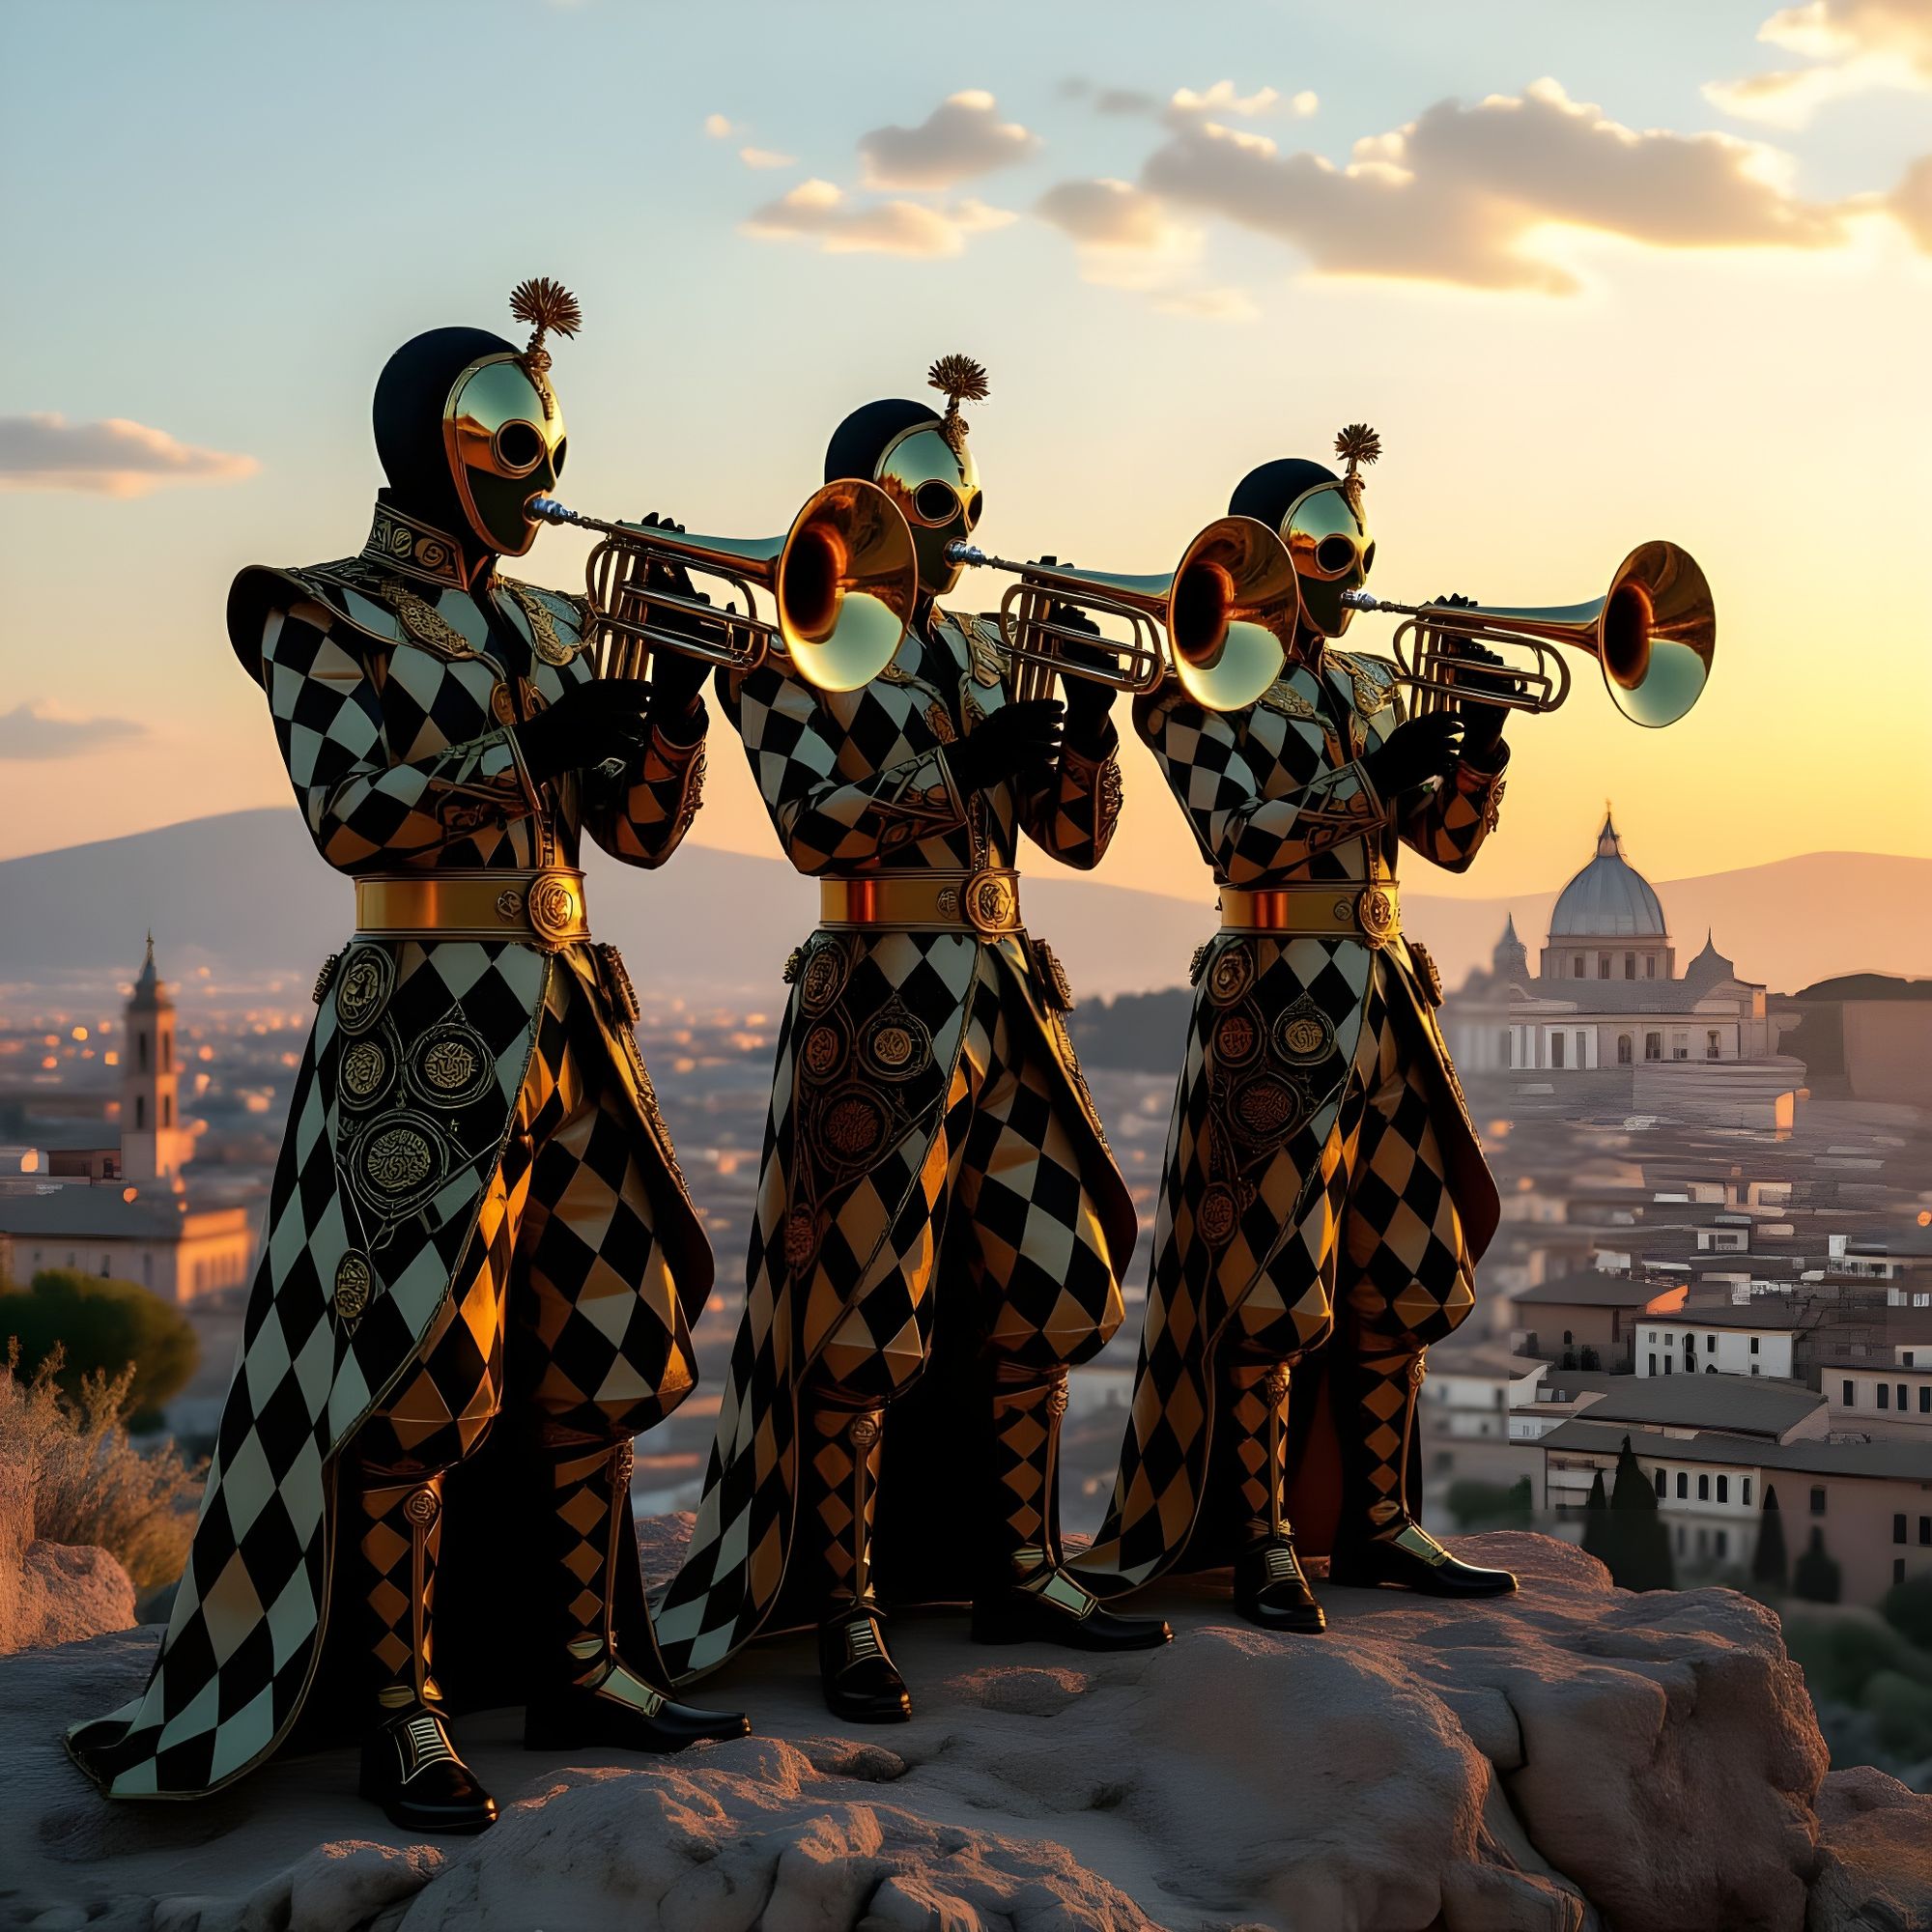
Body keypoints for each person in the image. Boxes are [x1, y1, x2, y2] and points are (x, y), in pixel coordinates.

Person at [68, 280, 745, 1833]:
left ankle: (584, 1662)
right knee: (416, 1380)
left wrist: (679, 718)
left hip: (577, 1018)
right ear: (429, 447)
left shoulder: (565, 620)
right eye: (509, 440)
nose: (536, 471)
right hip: (423, 1025)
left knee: (600, 1349)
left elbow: (635, 841)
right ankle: (403, 1711)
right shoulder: (318, 609)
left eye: (545, 442)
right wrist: (536, 747)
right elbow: (350, 815)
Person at [654, 356, 1168, 1724]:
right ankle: (850, 1608)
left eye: (965, 494)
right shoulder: (783, 637)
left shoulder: (995, 648)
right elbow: (814, 826)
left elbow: (1080, 840)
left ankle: (1020, 1563)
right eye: (929, 494)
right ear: (860, 505)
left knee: (1060, 1283)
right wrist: (966, 768)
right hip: (876, 995)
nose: (956, 519)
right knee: (860, 1322)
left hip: (1007, 993)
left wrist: (1091, 739)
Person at [1074, 425, 1518, 1633]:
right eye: (1326, 542)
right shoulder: (1191, 673)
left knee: (1408, 1264)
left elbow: (1446, 847)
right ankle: (1262, 1534)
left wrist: (1475, 751)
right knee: (1272, 1278)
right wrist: (1375, 783)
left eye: (1356, 544)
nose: (1350, 566)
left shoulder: (1372, 683)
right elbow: (1236, 838)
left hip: (1384, 997)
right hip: (1272, 996)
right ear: (1257, 551)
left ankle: (1374, 1521)